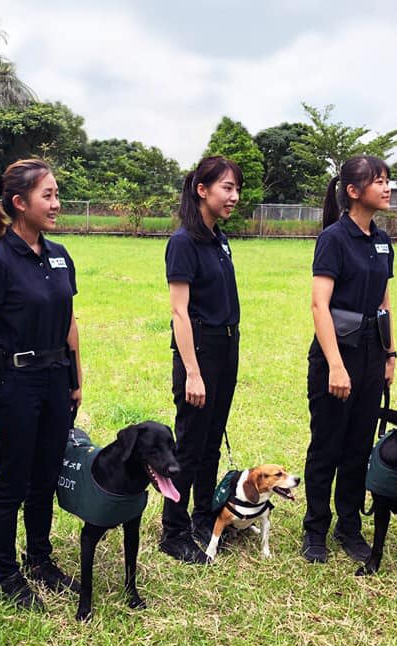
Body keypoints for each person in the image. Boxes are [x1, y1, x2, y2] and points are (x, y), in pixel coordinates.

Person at [0, 159, 82, 610]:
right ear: (19, 203)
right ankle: (6, 573)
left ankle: (40, 560)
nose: (56, 203)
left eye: (56, 194)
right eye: (47, 195)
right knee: (12, 481)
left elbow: (69, 318)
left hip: (56, 379)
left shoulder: (58, 254)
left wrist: (76, 375)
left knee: (46, 477)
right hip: (14, 383)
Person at [301, 155, 397, 564]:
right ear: (354, 191)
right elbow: (319, 305)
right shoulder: (334, 238)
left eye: (388, 179)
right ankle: (315, 529)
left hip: (372, 355)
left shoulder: (382, 240)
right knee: (327, 446)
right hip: (335, 357)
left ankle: (349, 526)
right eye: (379, 181)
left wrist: (390, 353)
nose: (388, 187)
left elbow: (383, 301)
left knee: (359, 445)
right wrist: (336, 364)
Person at [160, 156, 243, 564]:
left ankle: (203, 517)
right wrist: (192, 372)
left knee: (212, 441)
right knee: (190, 445)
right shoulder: (184, 242)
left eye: (236, 189)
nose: (234, 196)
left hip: (228, 345)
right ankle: (173, 532)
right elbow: (180, 312)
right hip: (201, 349)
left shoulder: (219, 239)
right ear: (202, 190)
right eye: (227, 188)